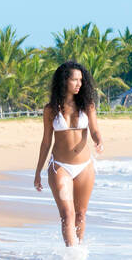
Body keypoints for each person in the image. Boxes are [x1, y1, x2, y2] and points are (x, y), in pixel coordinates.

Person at [34, 60, 102, 245]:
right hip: (60, 166)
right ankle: (71, 255)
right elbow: (46, 141)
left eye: (81, 80)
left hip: (85, 167)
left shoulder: (87, 106)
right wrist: (38, 171)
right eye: (75, 80)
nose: (79, 84)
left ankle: (78, 256)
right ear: (64, 81)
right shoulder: (51, 110)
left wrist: (98, 140)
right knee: (67, 214)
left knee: (80, 214)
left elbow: (94, 130)